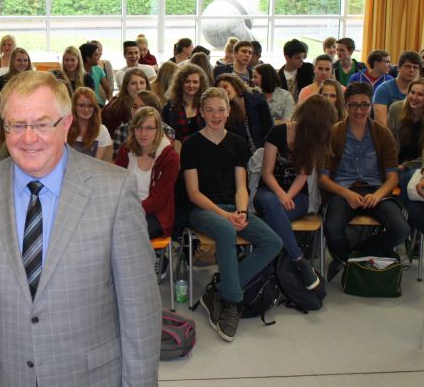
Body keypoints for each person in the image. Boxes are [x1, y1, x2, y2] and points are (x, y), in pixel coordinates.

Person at [0, 70, 160, 386]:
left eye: (41, 124)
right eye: (17, 125)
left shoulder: (114, 190)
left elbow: (140, 311)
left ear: (65, 125)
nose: (28, 137)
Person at [183, 87, 282, 342]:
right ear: (201, 113)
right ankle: (234, 302)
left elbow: (241, 186)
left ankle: (221, 289)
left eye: (221, 110)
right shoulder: (191, 145)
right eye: (210, 110)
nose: (216, 115)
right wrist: (224, 216)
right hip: (203, 210)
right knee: (227, 230)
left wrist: (239, 211)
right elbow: (193, 193)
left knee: (273, 242)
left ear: (229, 111)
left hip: (232, 208)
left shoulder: (237, 143)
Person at [319, 82, 410, 282]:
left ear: (370, 106)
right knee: (332, 229)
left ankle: (353, 257)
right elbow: (323, 179)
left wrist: (377, 195)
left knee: (401, 229)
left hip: (376, 191)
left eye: (364, 105)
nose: (359, 111)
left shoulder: (382, 134)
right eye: (353, 105)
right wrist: (345, 193)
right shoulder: (334, 133)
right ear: (345, 106)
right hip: (344, 191)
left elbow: (392, 177)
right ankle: (354, 260)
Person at [253, 95, 336, 290]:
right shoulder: (278, 132)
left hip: (297, 197)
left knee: (271, 220)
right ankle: (298, 259)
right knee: (271, 203)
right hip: (269, 193)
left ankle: (267, 261)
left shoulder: (313, 141)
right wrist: (281, 195)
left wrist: (288, 196)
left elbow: (302, 177)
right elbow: (266, 173)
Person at [115, 107, 179, 240]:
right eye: (139, 127)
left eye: (149, 128)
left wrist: (129, 209)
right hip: (125, 209)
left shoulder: (170, 157)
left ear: (158, 130)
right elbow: (116, 185)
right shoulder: (125, 150)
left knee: (125, 235)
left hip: (155, 214)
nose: (143, 133)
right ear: (133, 129)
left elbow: (157, 201)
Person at [386, 78, 424, 196]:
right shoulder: (396, 109)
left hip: (418, 166)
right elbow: (388, 142)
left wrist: (403, 167)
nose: (414, 97)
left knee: (409, 179)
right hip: (394, 163)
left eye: (420, 94)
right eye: (412, 92)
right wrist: (391, 165)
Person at [216, 73, 274, 153]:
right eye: (220, 90)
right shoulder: (227, 112)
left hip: (265, 151)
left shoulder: (258, 101)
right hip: (245, 157)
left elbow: (268, 129)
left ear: (235, 84)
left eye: (225, 86)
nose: (224, 91)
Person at [112, 90, 176, 156]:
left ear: (153, 111)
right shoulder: (121, 130)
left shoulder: (167, 131)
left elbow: (168, 158)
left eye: (143, 108)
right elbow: (117, 162)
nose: (137, 111)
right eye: (135, 107)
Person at [162, 63, 207, 142]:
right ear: (180, 83)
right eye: (187, 81)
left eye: (195, 82)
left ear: (201, 84)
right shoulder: (169, 108)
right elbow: (164, 135)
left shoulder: (205, 106)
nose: (191, 85)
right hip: (177, 151)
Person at [373, 50, 420, 125]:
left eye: (415, 67)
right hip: (389, 134)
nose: (411, 70)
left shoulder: (421, 91)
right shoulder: (383, 89)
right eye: (408, 66)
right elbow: (381, 125)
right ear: (399, 67)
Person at [101, 67, 150, 136]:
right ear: (126, 86)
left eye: (142, 83)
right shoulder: (116, 108)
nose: (139, 87)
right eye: (133, 83)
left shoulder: (151, 103)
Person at [68, 87, 112, 161]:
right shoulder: (65, 128)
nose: (86, 110)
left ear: (95, 108)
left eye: (90, 106)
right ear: (74, 107)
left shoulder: (102, 131)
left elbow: (98, 162)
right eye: (81, 105)